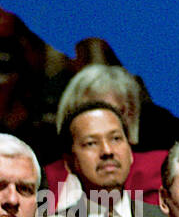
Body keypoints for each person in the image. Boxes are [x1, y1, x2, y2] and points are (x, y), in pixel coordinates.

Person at [55, 103, 166, 217]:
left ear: (130, 152)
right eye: (91, 143)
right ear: (69, 162)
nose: (107, 151)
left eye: (116, 139)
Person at [47, 63, 167, 206]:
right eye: (88, 110)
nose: (100, 119)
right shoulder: (47, 176)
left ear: (130, 114)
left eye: (112, 111)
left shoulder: (156, 168)